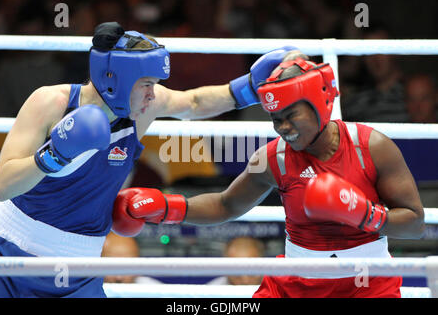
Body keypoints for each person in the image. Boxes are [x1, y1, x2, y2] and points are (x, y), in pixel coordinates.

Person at [0, 21, 295, 298]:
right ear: (116, 80)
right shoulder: (50, 102)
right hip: (7, 251)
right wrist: (54, 155)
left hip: (78, 268)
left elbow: (193, 102)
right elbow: (3, 186)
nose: (154, 93)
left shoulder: (143, 108)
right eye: (146, 83)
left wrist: (249, 88)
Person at [114, 50, 425, 298]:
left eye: (291, 116)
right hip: (296, 283)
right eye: (276, 119)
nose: (283, 127)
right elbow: (226, 205)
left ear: (319, 104)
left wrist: (363, 213)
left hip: (368, 284)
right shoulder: (274, 158)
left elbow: (415, 223)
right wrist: (168, 207)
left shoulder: (371, 147)